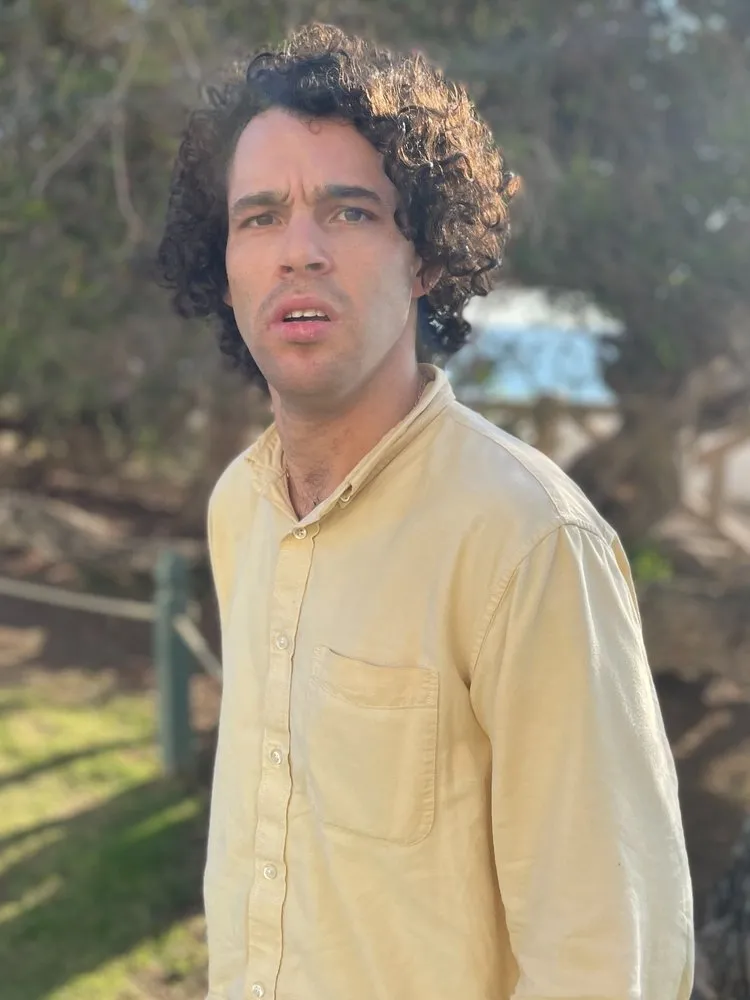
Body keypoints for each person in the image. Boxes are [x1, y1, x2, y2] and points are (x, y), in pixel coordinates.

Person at [157, 22, 694, 1000]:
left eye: (351, 212)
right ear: (224, 262)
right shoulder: (240, 506)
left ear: (426, 259)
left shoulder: (527, 541)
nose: (300, 251)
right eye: (260, 216)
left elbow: (608, 958)